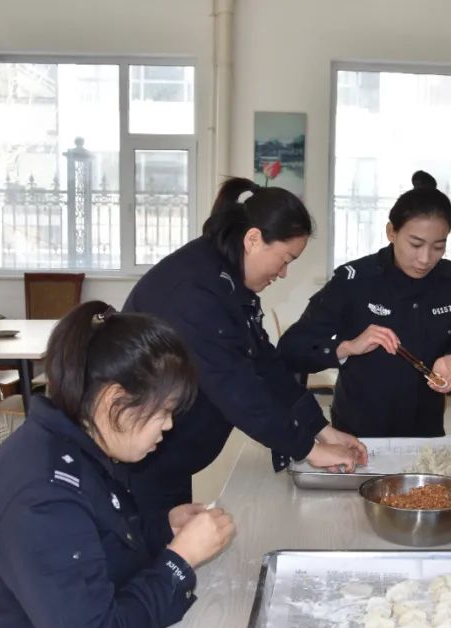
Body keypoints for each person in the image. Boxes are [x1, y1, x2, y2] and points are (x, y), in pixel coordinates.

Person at [0, 301, 236, 628]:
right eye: (163, 410)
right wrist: (178, 561)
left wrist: (163, 529)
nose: (168, 425)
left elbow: (94, 541)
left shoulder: (77, 443)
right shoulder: (42, 496)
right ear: (114, 400)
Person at [124, 178, 367, 517]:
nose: (283, 273)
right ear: (253, 239)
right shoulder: (194, 289)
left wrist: (321, 430)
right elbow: (236, 387)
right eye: (284, 259)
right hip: (134, 459)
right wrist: (308, 449)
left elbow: (265, 364)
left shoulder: (226, 279)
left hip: (164, 456)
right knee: (153, 543)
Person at [277, 171, 451, 437]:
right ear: (391, 232)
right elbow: (292, 347)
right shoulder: (355, 281)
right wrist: (348, 347)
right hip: (357, 432)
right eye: (415, 244)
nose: (425, 258)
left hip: (425, 434)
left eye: (438, 246)